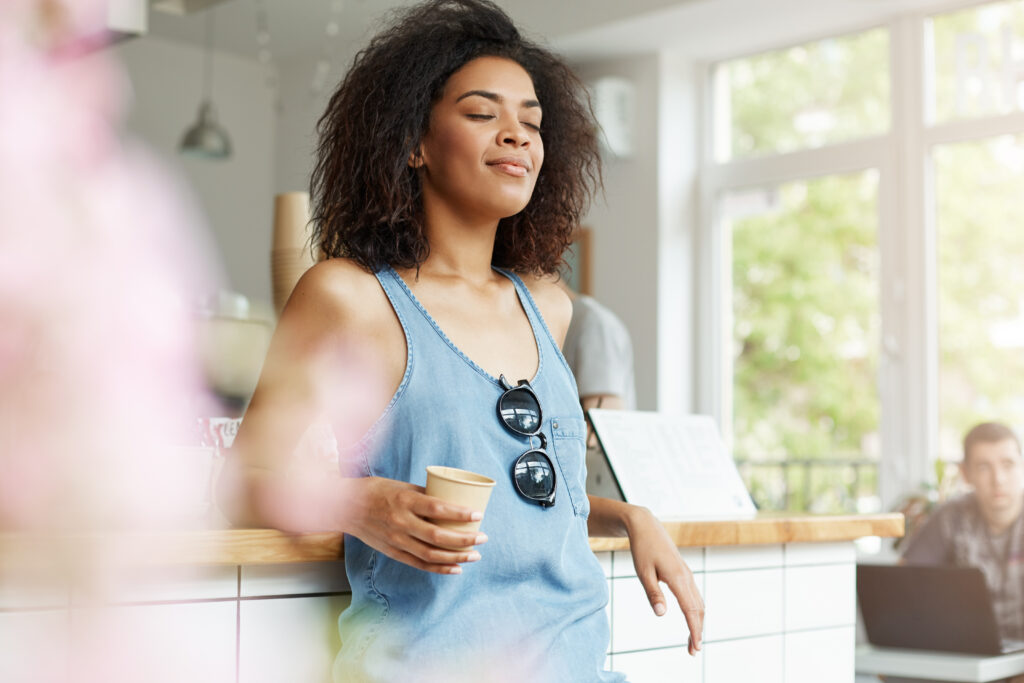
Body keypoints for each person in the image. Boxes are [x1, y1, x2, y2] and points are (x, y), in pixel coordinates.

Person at [215, 2, 703, 681]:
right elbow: (241, 483)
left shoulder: (549, 306)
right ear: (413, 141)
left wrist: (625, 513)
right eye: (482, 114)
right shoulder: (349, 298)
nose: (517, 136)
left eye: (531, 122)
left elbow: (520, 495)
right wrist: (360, 502)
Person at [895, 421, 1024, 683]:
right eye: (984, 467)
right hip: (967, 662)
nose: (998, 479)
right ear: (966, 474)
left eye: (1008, 464)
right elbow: (901, 585)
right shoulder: (951, 516)